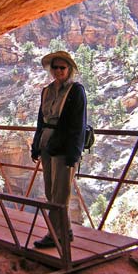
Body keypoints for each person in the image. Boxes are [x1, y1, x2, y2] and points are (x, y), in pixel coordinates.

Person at [31, 50, 87, 249]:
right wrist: (35, 145)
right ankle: (67, 230)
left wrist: (74, 154)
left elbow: (78, 125)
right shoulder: (46, 90)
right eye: (54, 67)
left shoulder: (76, 91)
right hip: (47, 144)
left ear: (69, 69)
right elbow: (41, 121)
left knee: (60, 194)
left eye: (62, 67)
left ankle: (55, 235)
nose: (58, 71)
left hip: (64, 147)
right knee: (50, 191)